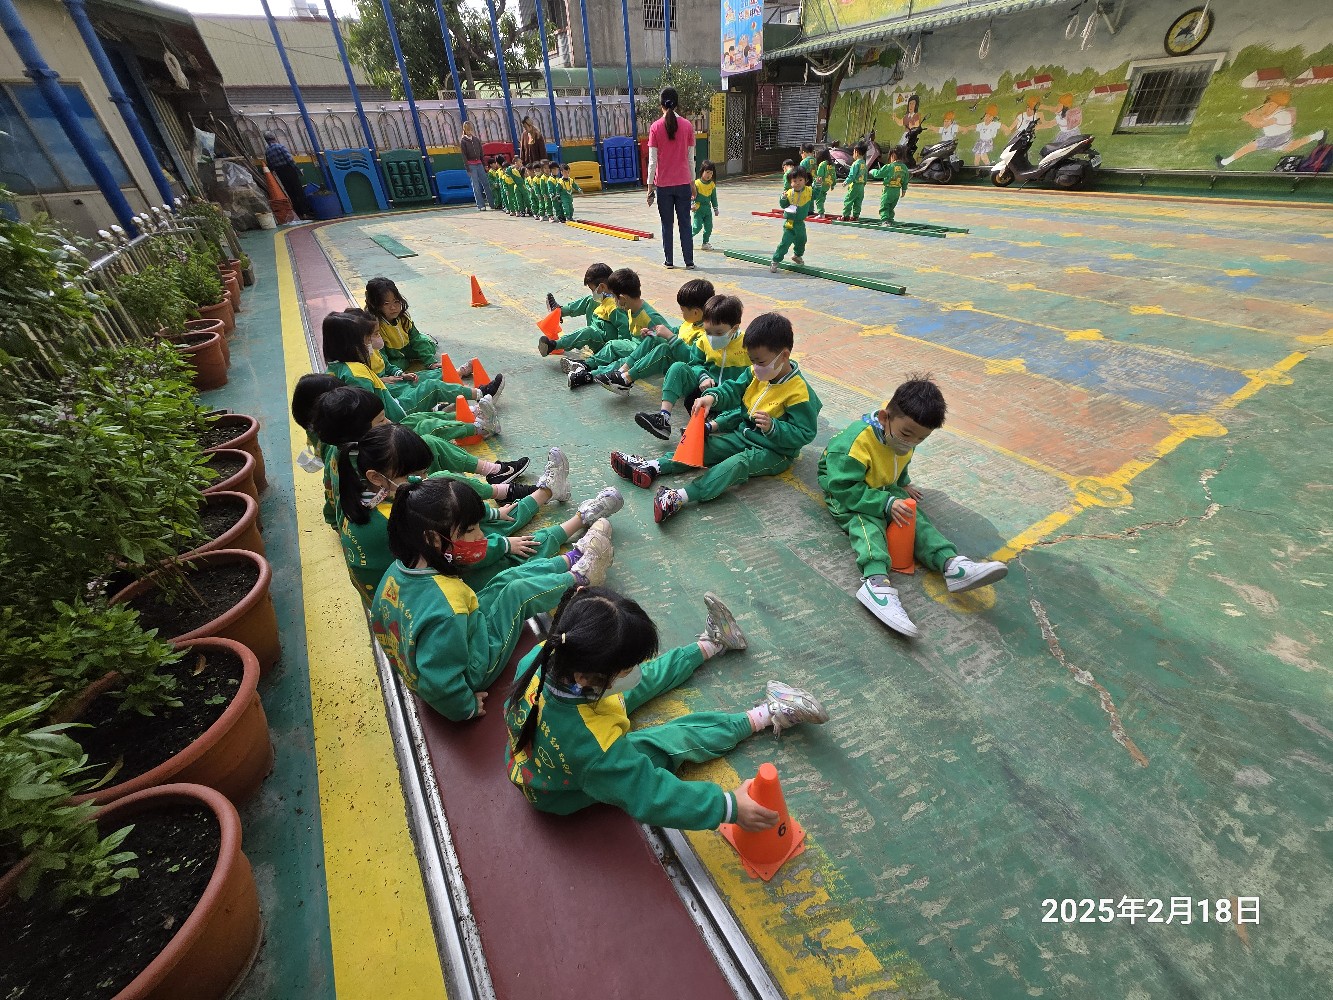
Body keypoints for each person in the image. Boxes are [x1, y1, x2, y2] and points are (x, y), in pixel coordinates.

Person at [505, 586, 829, 831]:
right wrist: (728, 806)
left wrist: (619, 674)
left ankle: (713, 643)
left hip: (552, 745)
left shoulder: (548, 655)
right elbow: (651, 795)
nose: (634, 669)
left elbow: (620, 680)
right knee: (670, 740)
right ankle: (768, 714)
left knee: (641, 681)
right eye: (627, 667)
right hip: (565, 790)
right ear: (587, 676)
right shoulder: (596, 752)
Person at [371, 477, 614, 722]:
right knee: (516, 594)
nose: (480, 536)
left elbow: (380, 622)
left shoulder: (398, 570)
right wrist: (464, 706)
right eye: (470, 530)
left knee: (504, 580)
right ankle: (580, 578)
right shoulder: (447, 610)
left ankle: (570, 560)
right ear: (434, 539)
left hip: (465, 632)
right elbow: (438, 681)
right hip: (474, 669)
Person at [338, 427, 622, 606]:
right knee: (510, 561)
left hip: (419, 575)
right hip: (433, 585)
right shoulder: (396, 519)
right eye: (415, 475)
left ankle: (546, 493)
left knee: (482, 523)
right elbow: (466, 553)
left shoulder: (363, 497)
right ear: (376, 477)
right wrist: (503, 544)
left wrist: (489, 518)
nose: (421, 480)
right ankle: (578, 528)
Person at [818, 376, 1009, 638]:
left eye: (921, 438)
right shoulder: (853, 445)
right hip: (846, 490)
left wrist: (902, 483)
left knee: (914, 516)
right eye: (907, 434)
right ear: (884, 417)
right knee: (867, 524)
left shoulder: (904, 435)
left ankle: (950, 564)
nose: (910, 442)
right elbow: (842, 486)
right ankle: (875, 583)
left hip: (881, 485)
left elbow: (900, 459)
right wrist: (885, 503)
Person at [610, 312, 821, 524]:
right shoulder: (755, 372)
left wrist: (773, 427)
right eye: (752, 361)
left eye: (760, 361)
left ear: (784, 356)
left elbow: (805, 433)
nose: (756, 367)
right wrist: (712, 397)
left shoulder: (799, 393)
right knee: (703, 447)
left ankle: (679, 496)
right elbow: (733, 389)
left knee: (737, 464)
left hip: (775, 451)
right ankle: (653, 466)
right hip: (744, 435)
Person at [322, 310, 497, 431]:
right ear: (350, 344)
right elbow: (369, 410)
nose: (370, 344)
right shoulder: (356, 372)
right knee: (432, 391)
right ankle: (481, 397)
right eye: (367, 340)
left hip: (391, 410)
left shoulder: (334, 369)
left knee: (426, 399)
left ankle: (470, 409)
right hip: (395, 414)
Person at [634, 293, 748, 440]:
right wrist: (703, 376)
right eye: (708, 332)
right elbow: (694, 362)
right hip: (705, 393)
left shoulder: (747, 345)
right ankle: (663, 418)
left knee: (745, 409)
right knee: (678, 367)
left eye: (719, 333)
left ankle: (710, 426)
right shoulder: (703, 341)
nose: (712, 337)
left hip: (731, 398)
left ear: (734, 328)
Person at [590, 278, 714, 392]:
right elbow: (679, 331)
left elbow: (692, 359)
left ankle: (626, 379)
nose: (681, 313)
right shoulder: (691, 322)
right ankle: (623, 370)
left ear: (696, 312)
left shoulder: (704, 334)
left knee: (664, 350)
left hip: (688, 371)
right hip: (678, 358)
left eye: (683, 310)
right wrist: (653, 332)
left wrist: (670, 337)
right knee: (654, 336)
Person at [566, 268, 670, 390]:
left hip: (644, 352)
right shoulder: (631, 309)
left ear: (623, 298)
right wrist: (649, 333)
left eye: (615, 298)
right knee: (612, 345)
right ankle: (587, 364)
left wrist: (652, 336)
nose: (614, 301)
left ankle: (589, 376)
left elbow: (668, 336)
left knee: (622, 362)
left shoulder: (650, 316)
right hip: (634, 345)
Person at [646, 87, 697, 270]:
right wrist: (692, 183)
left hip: (663, 186)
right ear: (677, 104)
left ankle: (669, 261)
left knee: (667, 224)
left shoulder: (655, 127)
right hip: (683, 183)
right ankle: (689, 261)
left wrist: (650, 187)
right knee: (685, 223)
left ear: (661, 105)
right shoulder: (688, 126)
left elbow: (652, 161)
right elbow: (691, 159)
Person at [1216, 91, 1326, 169]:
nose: (1266, 104)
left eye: (1269, 102)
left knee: (1248, 148)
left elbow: (1259, 124)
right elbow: (1265, 116)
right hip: (1285, 136)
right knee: (1291, 146)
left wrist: (1249, 119)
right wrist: (1255, 114)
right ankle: (1319, 135)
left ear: (1274, 103)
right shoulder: (1285, 112)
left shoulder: (1278, 115)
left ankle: (1224, 162)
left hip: (1273, 139)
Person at [538, 263, 629, 357]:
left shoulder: (614, 307)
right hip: (598, 331)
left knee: (587, 332)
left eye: (593, 289)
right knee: (591, 300)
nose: (593, 292)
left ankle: (553, 345)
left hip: (606, 345)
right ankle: (560, 311)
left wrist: (615, 351)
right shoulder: (606, 298)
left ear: (602, 287)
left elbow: (624, 331)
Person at [770, 166, 813, 272]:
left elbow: (816, 194)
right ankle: (775, 261)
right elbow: (783, 205)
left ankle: (797, 256)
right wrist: (783, 198)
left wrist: (818, 185)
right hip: (789, 224)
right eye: (794, 181)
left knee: (802, 241)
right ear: (790, 183)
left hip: (800, 224)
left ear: (805, 180)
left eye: (800, 180)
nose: (797, 183)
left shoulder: (808, 191)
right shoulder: (789, 193)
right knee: (785, 243)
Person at [263, 131, 314, 219]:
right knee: (299, 192)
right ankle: (307, 212)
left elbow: (270, 165)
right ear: (274, 138)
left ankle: (299, 213)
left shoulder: (267, 151)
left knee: (291, 193)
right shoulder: (280, 147)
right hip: (289, 170)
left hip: (280, 173)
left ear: (266, 140)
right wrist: (298, 171)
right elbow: (290, 160)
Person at [460, 120, 490, 212]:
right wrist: (467, 168)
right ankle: (480, 205)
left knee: (486, 183)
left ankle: (492, 203)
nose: (469, 131)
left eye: (470, 129)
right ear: (464, 130)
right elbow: (464, 156)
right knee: (476, 186)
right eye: (467, 130)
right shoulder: (463, 141)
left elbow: (481, 153)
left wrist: (484, 164)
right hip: (471, 165)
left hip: (479, 164)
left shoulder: (476, 140)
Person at [874, 147, 909, 225]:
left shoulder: (889, 166)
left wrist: (872, 171)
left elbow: (878, 174)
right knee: (891, 206)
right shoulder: (904, 168)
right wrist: (904, 190)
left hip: (888, 190)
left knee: (885, 205)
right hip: (897, 191)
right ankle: (890, 219)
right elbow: (906, 180)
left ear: (893, 155)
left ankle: (885, 220)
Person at [691, 160, 720, 251]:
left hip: (707, 209)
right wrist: (692, 205)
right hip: (698, 209)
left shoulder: (712, 185)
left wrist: (715, 208)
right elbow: (691, 196)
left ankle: (705, 243)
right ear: (702, 171)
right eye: (707, 172)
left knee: (709, 227)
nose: (709, 175)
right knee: (697, 227)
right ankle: (687, 238)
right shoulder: (696, 183)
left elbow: (713, 197)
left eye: (711, 173)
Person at [840, 142, 868, 221]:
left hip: (855, 185)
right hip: (861, 186)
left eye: (853, 152)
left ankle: (845, 215)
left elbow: (852, 175)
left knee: (849, 200)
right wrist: (864, 183)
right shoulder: (864, 164)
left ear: (856, 152)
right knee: (858, 202)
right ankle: (856, 216)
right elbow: (866, 175)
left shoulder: (855, 164)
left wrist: (846, 182)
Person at [811, 148, 837, 219]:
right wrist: (833, 185)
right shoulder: (832, 165)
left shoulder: (822, 164)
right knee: (822, 198)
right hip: (827, 185)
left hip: (821, 185)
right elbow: (834, 176)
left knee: (818, 199)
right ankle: (821, 211)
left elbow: (819, 176)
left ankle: (821, 213)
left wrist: (815, 184)